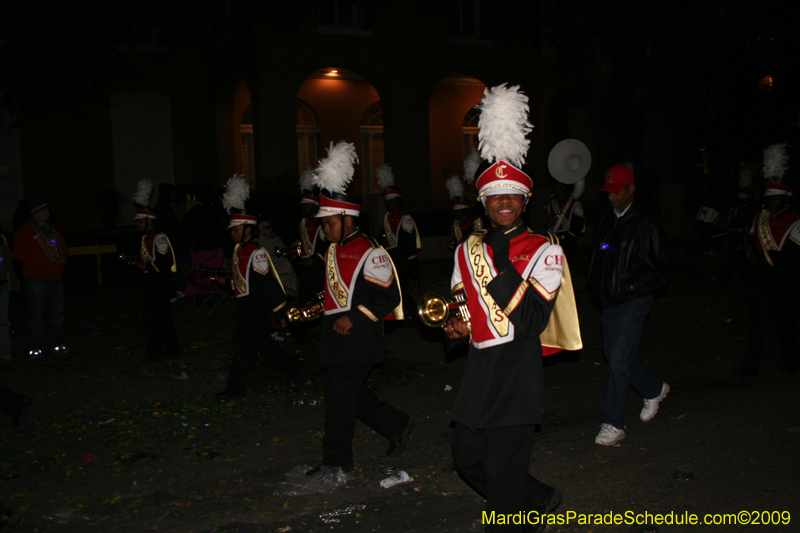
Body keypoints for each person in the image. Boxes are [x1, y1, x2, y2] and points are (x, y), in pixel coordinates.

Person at [443, 84, 570, 532]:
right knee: (467, 458)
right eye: (495, 196)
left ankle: (514, 513)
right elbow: (460, 302)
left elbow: (532, 318)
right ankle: (538, 496)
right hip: (481, 369)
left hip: (518, 371)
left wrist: (498, 257)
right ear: (483, 201)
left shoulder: (545, 250)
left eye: (512, 195)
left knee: (502, 475)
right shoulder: (465, 250)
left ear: (524, 201)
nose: (503, 203)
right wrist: (454, 325)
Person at [304, 142, 414, 482]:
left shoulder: (371, 251)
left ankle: (337, 462)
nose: (324, 230)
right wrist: (316, 306)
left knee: (338, 400)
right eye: (322, 225)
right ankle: (398, 424)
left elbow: (389, 296)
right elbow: (339, 291)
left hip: (359, 338)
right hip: (336, 338)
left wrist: (354, 315)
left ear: (347, 220)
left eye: (329, 224)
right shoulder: (334, 249)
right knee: (349, 394)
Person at [587, 163, 669, 447]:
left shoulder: (646, 222)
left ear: (632, 188)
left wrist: (628, 289)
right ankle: (653, 388)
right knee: (613, 356)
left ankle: (613, 423)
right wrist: (596, 287)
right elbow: (600, 256)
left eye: (617, 192)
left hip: (633, 300)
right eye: (607, 192)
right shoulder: (609, 220)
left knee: (618, 358)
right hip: (609, 301)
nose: (611, 197)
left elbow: (658, 271)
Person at [216, 176, 303, 399]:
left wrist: (281, 312)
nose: (232, 233)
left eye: (236, 230)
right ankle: (294, 368)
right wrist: (228, 284)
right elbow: (243, 281)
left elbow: (269, 284)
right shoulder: (239, 251)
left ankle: (235, 388)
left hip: (257, 310)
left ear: (247, 229)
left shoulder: (257, 252)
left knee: (242, 347)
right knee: (264, 346)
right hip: (246, 308)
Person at [737, 143, 800, 377]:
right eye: (768, 198)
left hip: (782, 283)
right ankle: (749, 366)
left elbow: (792, 257)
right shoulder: (758, 219)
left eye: (774, 199)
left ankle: (792, 364)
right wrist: (751, 255)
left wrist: (764, 259)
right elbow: (751, 246)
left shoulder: (795, 222)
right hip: (760, 283)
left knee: (786, 327)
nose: (769, 203)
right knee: (756, 328)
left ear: (785, 198)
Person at [132, 180, 182, 362]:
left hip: (159, 285)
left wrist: (147, 266)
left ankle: (166, 349)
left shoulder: (159, 237)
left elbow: (165, 261)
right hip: (151, 284)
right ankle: (161, 349)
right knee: (153, 319)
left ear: (148, 221)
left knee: (160, 318)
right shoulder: (146, 237)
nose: (137, 225)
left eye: (140, 221)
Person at [13, 198, 68, 358]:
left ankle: (57, 344)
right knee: (37, 316)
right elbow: (19, 254)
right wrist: (40, 264)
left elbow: (62, 248)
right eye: (44, 210)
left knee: (57, 315)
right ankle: (34, 348)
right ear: (36, 212)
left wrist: (61, 263)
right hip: (36, 279)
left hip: (55, 277)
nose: (47, 213)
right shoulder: (25, 231)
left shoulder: (52, 230)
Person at [376, 162, 421, 324]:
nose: (389, 204)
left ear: (398, 201)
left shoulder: (405, 217)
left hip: (401, 259)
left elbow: (409, 242)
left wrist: (412, 263)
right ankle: (397, 314)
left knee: (401, 288)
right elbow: (382, 238)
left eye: (392, 201)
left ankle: (414, 313)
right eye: (387, 201)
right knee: (390, 287)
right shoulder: (385, 218)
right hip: (389, 259)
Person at [294, 170, 328, 304]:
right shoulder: (302, 223)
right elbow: (301, 245)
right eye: (302, 205)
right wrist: (295, 256)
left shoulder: (321, 222)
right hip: (304, 268)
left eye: (306, 205)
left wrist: (313, 260)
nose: (303, 208)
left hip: (318, 268)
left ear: (314, 205)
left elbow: (325, 246)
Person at [254, 219, 299, 298]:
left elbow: (283, 250)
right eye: (267, 228)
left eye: (270, 227)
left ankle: (290, 292)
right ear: (261, 230)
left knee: (287, 266)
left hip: (282, 263)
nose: (270, 230)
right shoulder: (258, 242)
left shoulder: (276, 239)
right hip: (269, 266)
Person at [543, 181, 585, 260]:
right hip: (554, 240)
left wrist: (563, 237)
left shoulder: (575, 203)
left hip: (568, 242)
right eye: (554, 186)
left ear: (563, 187)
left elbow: (578, 225)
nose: (554, 188)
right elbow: (547, 223)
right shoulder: (551, 203)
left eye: (557, 186)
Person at [445, 174, 483, 252]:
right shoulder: (455, 225)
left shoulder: (475, 221)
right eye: (456, 211)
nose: (457, 213)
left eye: (459, 211)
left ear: (465, 210)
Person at [0, 229, 21, 361]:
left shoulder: (1, 239)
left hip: (3, 284)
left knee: (2, 321)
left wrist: (12, 280)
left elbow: (8, 262)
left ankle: (5, 352)